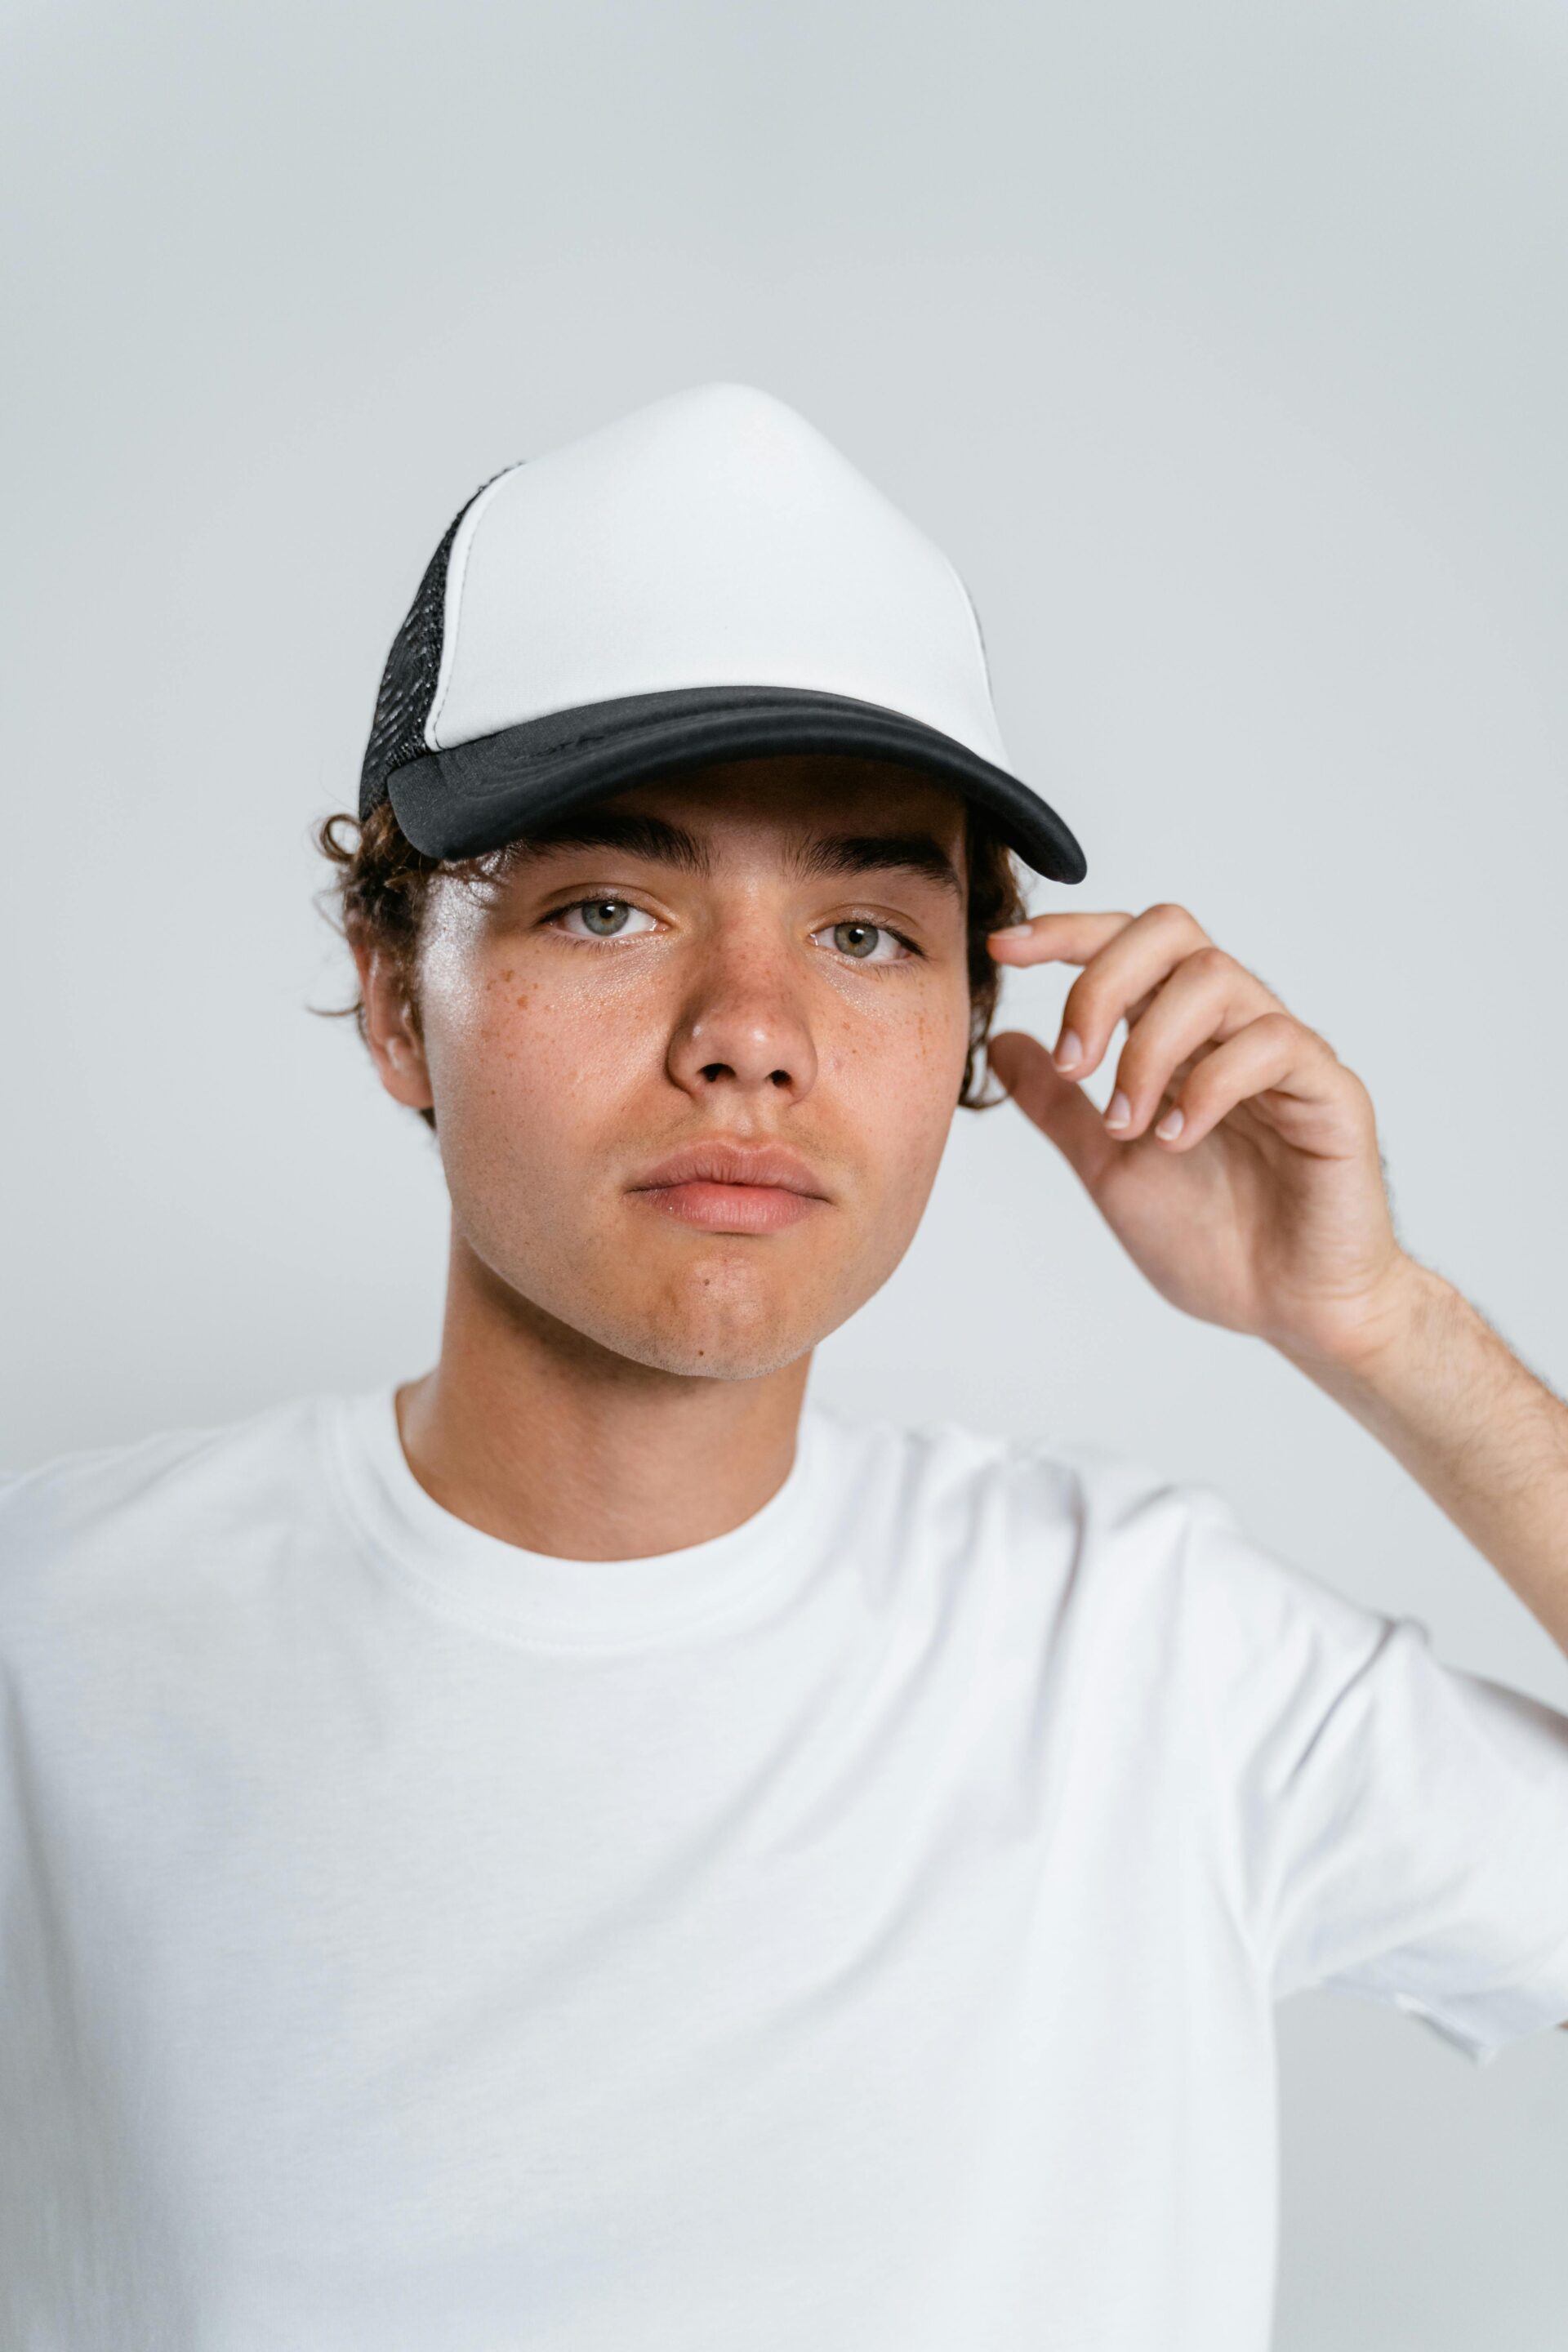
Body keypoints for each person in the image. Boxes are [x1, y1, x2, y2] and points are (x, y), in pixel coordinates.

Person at [3, 382, 1566, 2352]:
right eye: (608, 906)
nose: (749, 1030)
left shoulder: (1145, 1657)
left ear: (975, 1024)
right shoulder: (59, 1638)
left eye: (864, 932)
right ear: (398, 999)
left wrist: (1378, 1321)